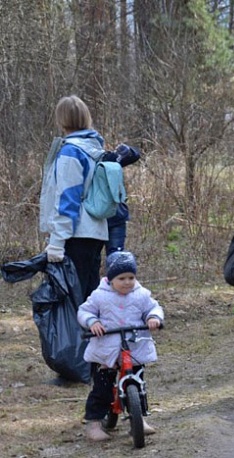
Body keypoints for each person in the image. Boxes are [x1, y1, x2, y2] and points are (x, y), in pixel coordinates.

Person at [77, 251, 164, 442]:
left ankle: (139, 419)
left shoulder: (141, 294)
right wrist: (92, 322)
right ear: (110, 279)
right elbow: (84, 311)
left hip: (134, 347)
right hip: (106, 349)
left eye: (131, 277)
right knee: (102, 388)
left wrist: (153, 318)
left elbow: (153, 307)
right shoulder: (99, 295)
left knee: (138, 385)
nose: (127, 282)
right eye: (121, 278)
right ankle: (94, 422)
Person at [40, 95, 110, 305]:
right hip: (96, 231)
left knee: (71, 302)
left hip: (76, 234)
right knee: (89, 298)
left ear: (61, 119)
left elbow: (67, 199)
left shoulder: (71, 151)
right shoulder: (96, 149)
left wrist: (57, 242)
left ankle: (77, 329)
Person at [102, 144, 141, 255]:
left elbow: (134, 155)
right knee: (92, 260)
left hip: (115, 217)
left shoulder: (107, 159)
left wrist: (123, 151)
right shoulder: (80, 160)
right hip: (95, 219)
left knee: (116, 258)